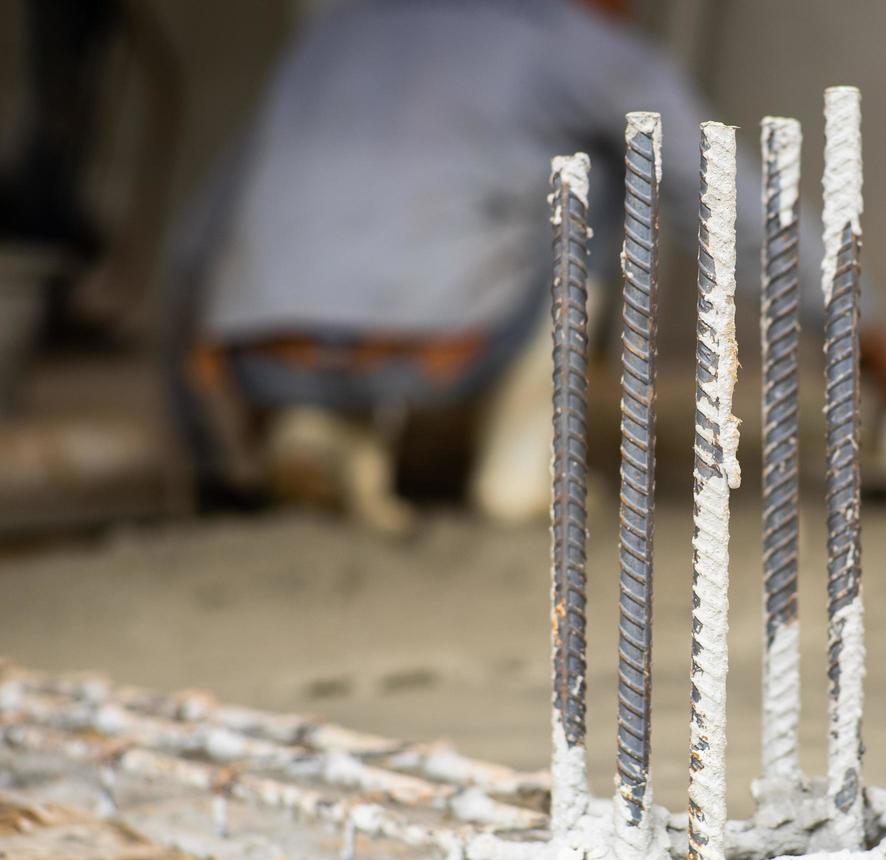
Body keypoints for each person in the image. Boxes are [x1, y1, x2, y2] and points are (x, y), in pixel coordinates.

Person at [168, 0, 828, 534]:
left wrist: (208, 448)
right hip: (442, 349)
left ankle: (321, 427)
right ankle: (522, 469)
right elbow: (729, 205)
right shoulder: (578, 47)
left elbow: (196, 245)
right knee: (601, 178)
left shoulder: (338, 32)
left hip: (261, 355)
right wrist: (873, 335)